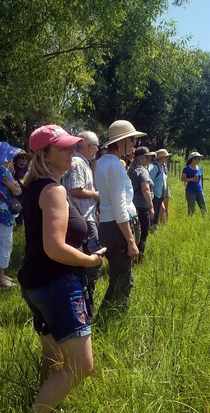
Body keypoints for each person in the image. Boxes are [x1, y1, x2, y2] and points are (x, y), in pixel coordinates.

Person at [18, 125, 105, 413]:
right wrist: (90, 261)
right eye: (64, 148)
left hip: (36, 281)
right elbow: (54, 248)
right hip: (57, 283)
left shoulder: (34, 187)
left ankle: (41, 402)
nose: (72, 152)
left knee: (53, 357)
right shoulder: (53, 190)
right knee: (82, 367)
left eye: (72, 147)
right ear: (44, 154)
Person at [94, 120, 145, 310]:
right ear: (122, 141)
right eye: (131, 140)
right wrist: (131, 241)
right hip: (117, 226)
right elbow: (119, 205)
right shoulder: (114, 165)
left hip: (109, 225)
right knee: (123, 281)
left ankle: (111, 315)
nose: (133, 144)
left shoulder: (103, 161)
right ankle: (110, 317)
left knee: (120, 276)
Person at [61, 131, 101, 306]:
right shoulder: (78, 163)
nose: (98, 150)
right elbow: (75, 190)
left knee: (88, 259)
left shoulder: (82, 162)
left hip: (85, 216)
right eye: (97, 146)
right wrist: (96, 195)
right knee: (92, 259)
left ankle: (84, 297)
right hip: (83, 218)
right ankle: (84, 298)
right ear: (90, 147)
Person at [0, 141, 22, 287]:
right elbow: (16, 190)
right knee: (4, 242)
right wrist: (17, 185)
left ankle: (2, 273)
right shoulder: (3, 171)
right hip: (3, 210)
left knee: (1, 240)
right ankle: (0, 277)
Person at [128, 147, 155, 259]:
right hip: (142, 207)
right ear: (141, 158)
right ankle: (139, 259)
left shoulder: (131, 170)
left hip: (132, 207)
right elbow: (145, 189)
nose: (149, 159)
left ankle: (133, 257)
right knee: (143, 233)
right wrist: (151, 206)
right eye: (147, 157)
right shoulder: (142, 171)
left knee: (134, 232)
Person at [148, 148, 171, 227]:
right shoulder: (154, 167)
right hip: (155, 194)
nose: (167, 158)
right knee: (154, 211)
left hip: (160, 193)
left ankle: (155, 226)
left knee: (157, 211)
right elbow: (149, 180)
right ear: (161, 158)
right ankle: (152, 227)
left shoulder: (162, 167)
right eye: (166, 157)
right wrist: (151, 192)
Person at [181, 151, 207, 216]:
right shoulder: (186, 168)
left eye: (200, 158)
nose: (199, 160)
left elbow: (199, 179)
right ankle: (190, 223)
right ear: (193, 159)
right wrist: (191, 179)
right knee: (191, 210)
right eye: (198, 158)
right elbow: (182, 179)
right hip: (190, 191)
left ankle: (205, 222)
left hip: (199, 190)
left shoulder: (199, 168)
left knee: (204, 209)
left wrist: (202, 190)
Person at [13, 150, 32, 227]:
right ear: (17, 159)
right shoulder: (13, 169)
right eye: (22, 158)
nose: (24, 160)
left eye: (26, 159)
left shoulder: (28, 169)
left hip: (28, 194)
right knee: (19, 214)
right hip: (17, 195)